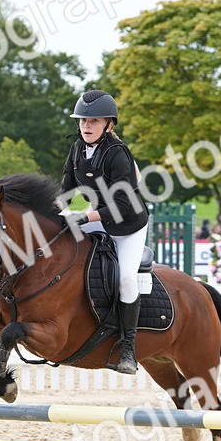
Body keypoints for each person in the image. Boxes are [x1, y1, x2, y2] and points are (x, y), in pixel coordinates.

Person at [59, 89, 148, 375]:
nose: (86, 125)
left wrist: (85, 216)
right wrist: (57, 214)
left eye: (94, 121)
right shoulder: (77, 149)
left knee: (125, 278)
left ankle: (128, 347)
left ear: (109, 124)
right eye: (83, 120)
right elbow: (68, 191)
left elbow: (121, 205)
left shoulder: (117, 153)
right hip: (96, 216)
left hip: (127, 225)